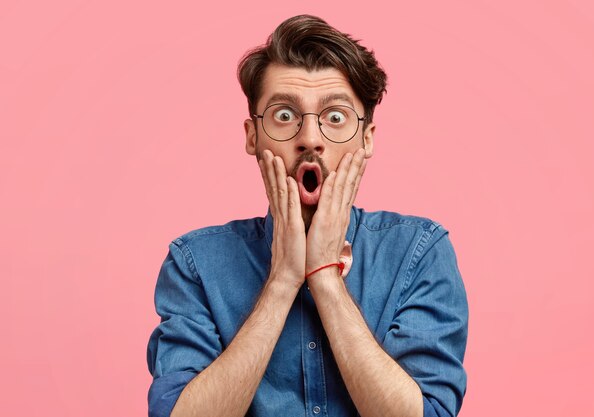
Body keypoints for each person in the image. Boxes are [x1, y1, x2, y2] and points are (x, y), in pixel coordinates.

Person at [147, 14, 468, 417]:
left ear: (366, 138)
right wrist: (282, 279)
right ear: (252, 136)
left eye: (336, 118)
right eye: (284, 116)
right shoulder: (194, 263)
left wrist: (325, 279)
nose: (310, 139)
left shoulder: (419, 252)